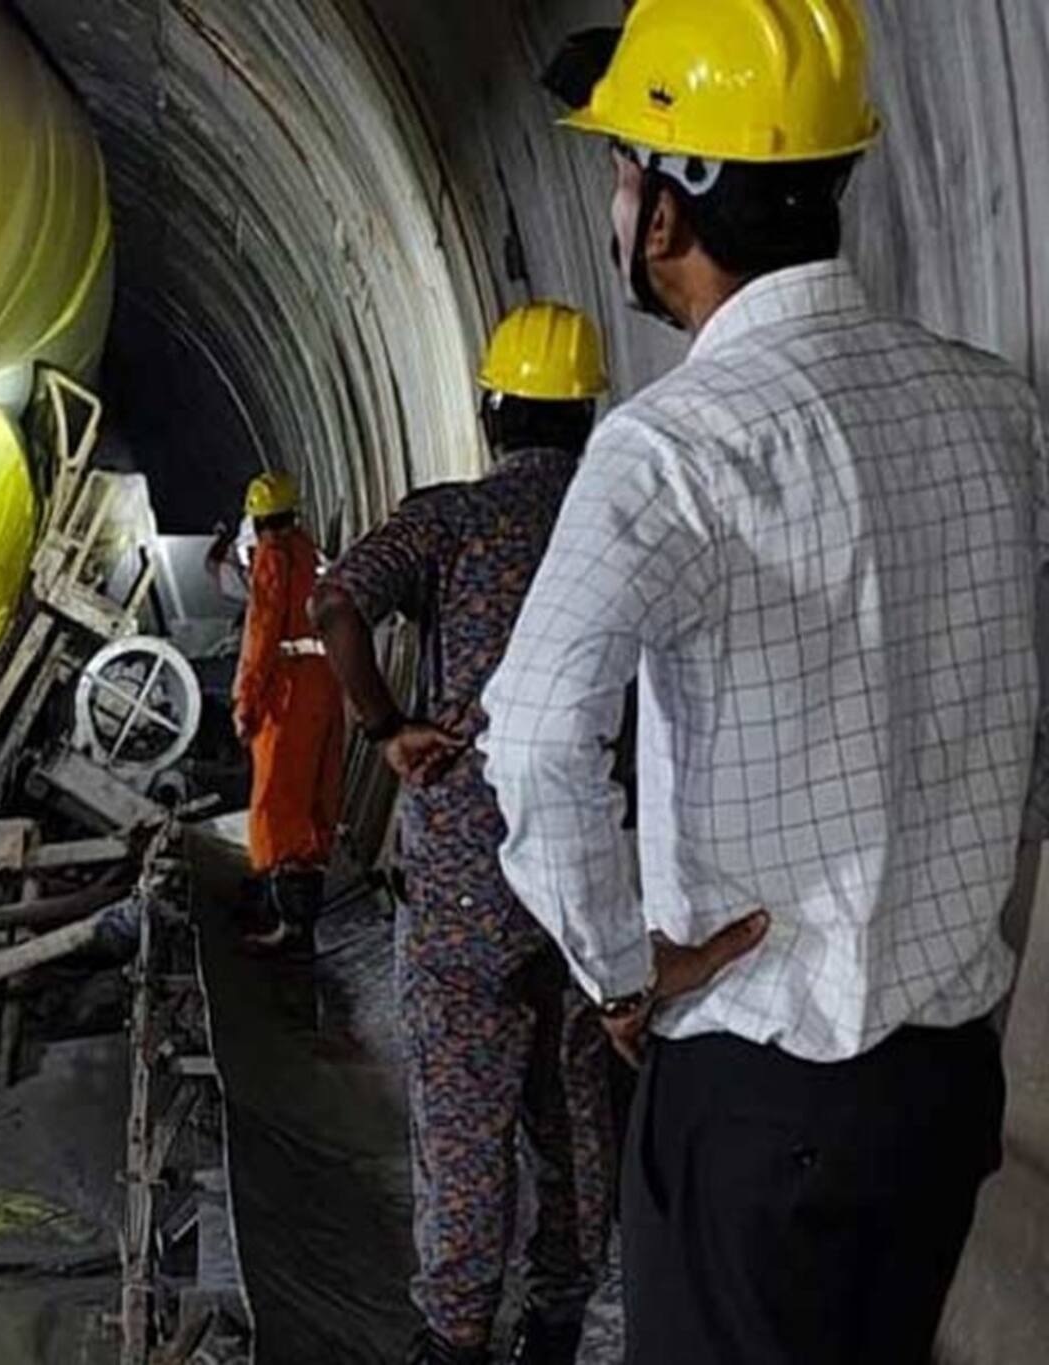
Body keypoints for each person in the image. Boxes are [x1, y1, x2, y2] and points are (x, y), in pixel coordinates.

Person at [480, 3, 1045, 1362]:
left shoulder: (672, 450)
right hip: (945, 1079)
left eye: (622, 173)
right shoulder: (999, 413)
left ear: (671, 213)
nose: (615, 207)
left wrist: (619, 970)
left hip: (759, 1093)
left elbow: (540, 737)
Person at [313, 302, 616, 1365]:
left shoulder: (447, 521)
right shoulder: (618, 517)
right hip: (590, 872)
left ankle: (452, 1335)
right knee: (573, 1105)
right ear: (587, 416)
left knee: (460, 1116)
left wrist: (388, 729)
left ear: (490, 410)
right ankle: (557, 1320)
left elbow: (338, 599)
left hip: (463, 879)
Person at [233, 470, 345, 950]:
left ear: (258, 522)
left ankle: (288, 923)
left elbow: (260, 635)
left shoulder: (273, 559)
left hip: (289, 688)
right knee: (316, 797)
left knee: (276, 801)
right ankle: (306, 914)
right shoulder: (312, 553)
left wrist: (246, 702)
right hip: (326, 680)